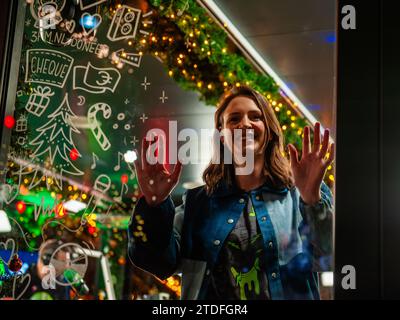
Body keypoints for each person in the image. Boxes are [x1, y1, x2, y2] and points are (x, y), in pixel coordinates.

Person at [128, 85, 334, 300]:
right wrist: (154, 206)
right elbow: (157, 262)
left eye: (255, 117)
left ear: (270, 130)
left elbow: (330, 257)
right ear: (222, 136)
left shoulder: (300, 194)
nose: (245, 124)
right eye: (234, 119)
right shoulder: (198, 203)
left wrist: (312, 201)